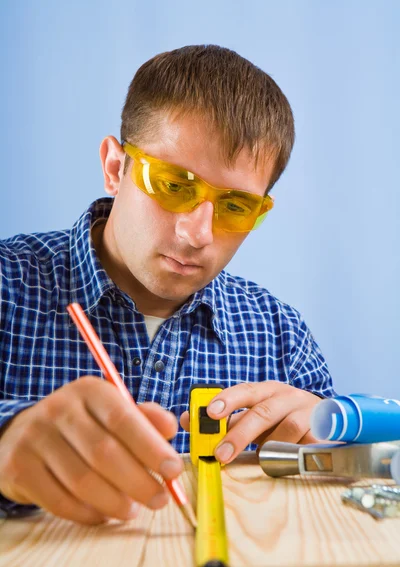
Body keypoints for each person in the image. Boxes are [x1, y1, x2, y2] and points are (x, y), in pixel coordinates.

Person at [0, 45, 334, 525]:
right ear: (116, 168)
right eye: (175, 186)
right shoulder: (7, 287)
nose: (197, 234)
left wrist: (331, 436)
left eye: (236, 206)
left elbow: (343, 483)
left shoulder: (280, 336)